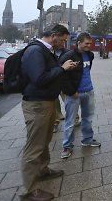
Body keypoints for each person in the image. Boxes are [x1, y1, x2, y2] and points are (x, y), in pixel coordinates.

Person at [20, 24, 76, 201]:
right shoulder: (35, 51)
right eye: (63, 39)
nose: (64, 43)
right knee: (34, 146)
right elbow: (39, 78)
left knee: (45, 140)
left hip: (47, 102)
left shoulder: (46, 50)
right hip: (37, 104)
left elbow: (46, 73)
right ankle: (31, 190)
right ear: (54, 36)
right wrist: (62, 69)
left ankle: (43, 170)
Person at [60, 32, 100, 159]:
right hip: (74, 94)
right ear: (79, 43)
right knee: (70, 121)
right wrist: (72, 91)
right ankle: (67, 146)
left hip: (89, 91)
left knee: (88, 117)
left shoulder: (90, 55)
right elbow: (62, 76)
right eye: (86, 43)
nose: (89, 46)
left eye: (90, 43)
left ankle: (87, 139)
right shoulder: (68, 56)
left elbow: (86, 72)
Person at [52, 44, 69, 133]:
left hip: (63, 81)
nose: (61, 43)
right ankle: (55, 122)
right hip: (53, 82)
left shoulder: (67, 52)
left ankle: (75, 119)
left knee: (68, 101)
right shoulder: (49, 52)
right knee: (54, 103)